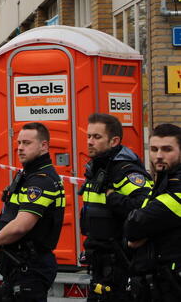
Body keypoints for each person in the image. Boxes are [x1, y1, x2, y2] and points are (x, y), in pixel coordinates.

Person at [0, 122, 65, 302]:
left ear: (44, 146)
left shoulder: (41, 180)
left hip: (31, 267)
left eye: (27, 143)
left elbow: (21, 225)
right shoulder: (26, 176)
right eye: (19, 142)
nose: (20, 148)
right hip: (18, 266)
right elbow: (9, 216)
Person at [80, 113, 152, 301]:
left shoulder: (125, 171)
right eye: (88, 136)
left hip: (120, 264)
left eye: (97, 137)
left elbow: (146, 208)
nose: (89, 142)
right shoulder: (98, 169)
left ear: (114, 141)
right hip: (99, 262)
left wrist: (113, 198)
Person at [124, 123, 181, 301]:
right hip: (155, 282)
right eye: (154, 149)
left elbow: (134, 226)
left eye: (167, 149)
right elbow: (134, 229)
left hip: (172, 284)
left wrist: (140, 233)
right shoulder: (161, 182)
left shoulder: (177, 186)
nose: (159, 156)